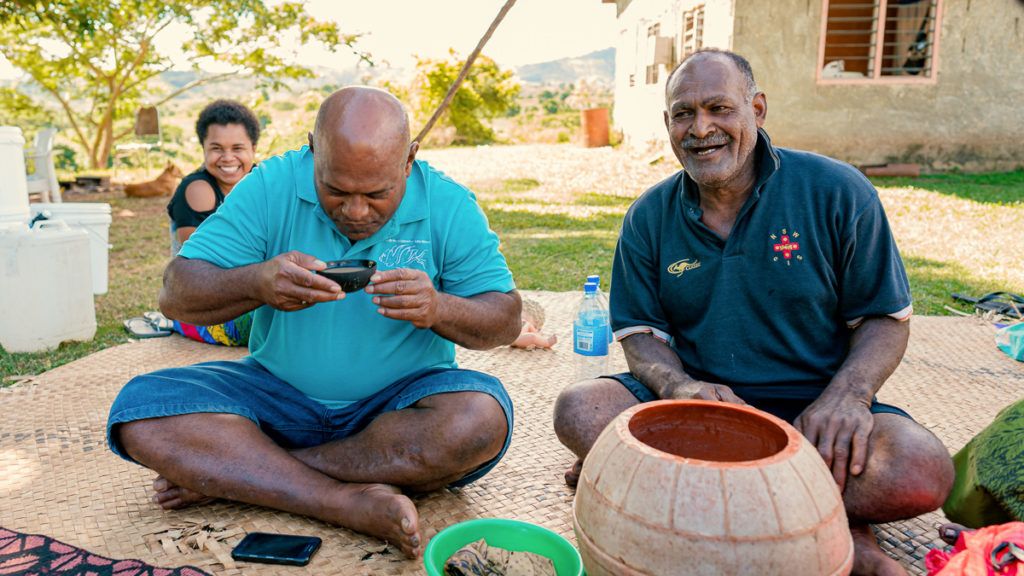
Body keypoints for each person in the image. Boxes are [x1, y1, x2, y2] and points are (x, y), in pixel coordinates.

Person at [552, 49, 953, 576]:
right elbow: (640, 335)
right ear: (668, 124)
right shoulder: (649, 216)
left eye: (720, 108)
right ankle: (832, 534)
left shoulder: (838, 192)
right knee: (579, 410)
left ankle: (665, 492)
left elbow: (884, 318)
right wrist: (677, 387)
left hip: (816, 417)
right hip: (699, 413)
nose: (701, 129)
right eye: (683, 113)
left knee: (920, 469)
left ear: (757, 110)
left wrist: (847, 396)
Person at [107, 87, 522, 558]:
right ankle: (340, 499)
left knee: (480, 418)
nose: (357, 212)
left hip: (398, 409)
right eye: (337, 190)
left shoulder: (448, 203)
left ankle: (251, 475)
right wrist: (258, 282)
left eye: (378, 193)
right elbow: (175, 293)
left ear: (409, 160)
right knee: (140, 412)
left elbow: (505, 318)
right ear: (312, 149)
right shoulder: (270, 184)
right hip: (276, 396)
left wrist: (440, 308)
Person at [161, 99, 261, 345]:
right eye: (217, 148)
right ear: (203, 148)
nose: (228, 158)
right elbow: (202, 261)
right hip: (203, 305)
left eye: (238, 148)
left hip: (249, 289)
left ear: (253, 148)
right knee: (276, 319)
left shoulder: (263, 182)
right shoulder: (198, 188)